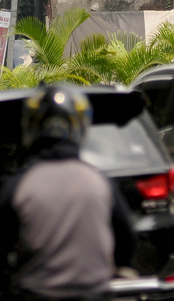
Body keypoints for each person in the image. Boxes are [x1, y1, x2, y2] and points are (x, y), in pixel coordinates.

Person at [0, 84, 135, 301]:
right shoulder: (98, 181)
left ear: (31, 127)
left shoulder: (19, 185)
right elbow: (126, 238)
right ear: (79, 128)